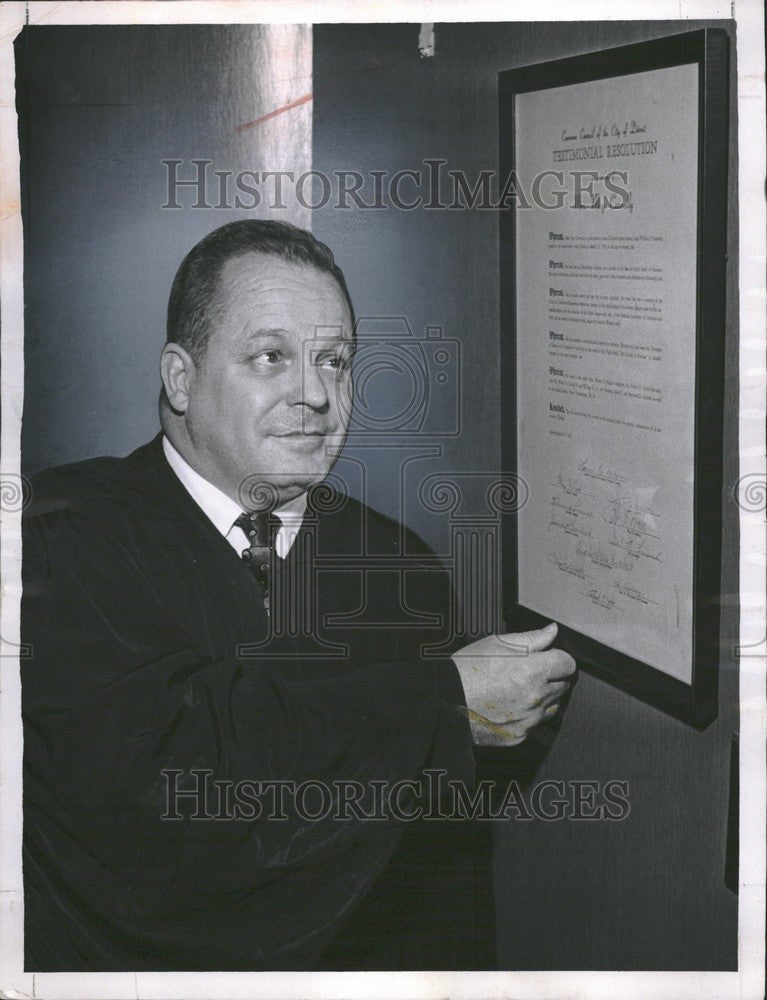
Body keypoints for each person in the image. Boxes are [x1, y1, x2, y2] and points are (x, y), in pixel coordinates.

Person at [21, 220, 575, 972]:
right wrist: (441, 704)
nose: (316, 394)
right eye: (270, 357)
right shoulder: (59, 536)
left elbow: (440, 875)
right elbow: (157, 788)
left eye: (335, 361)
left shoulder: (398, 566)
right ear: (180, 379)